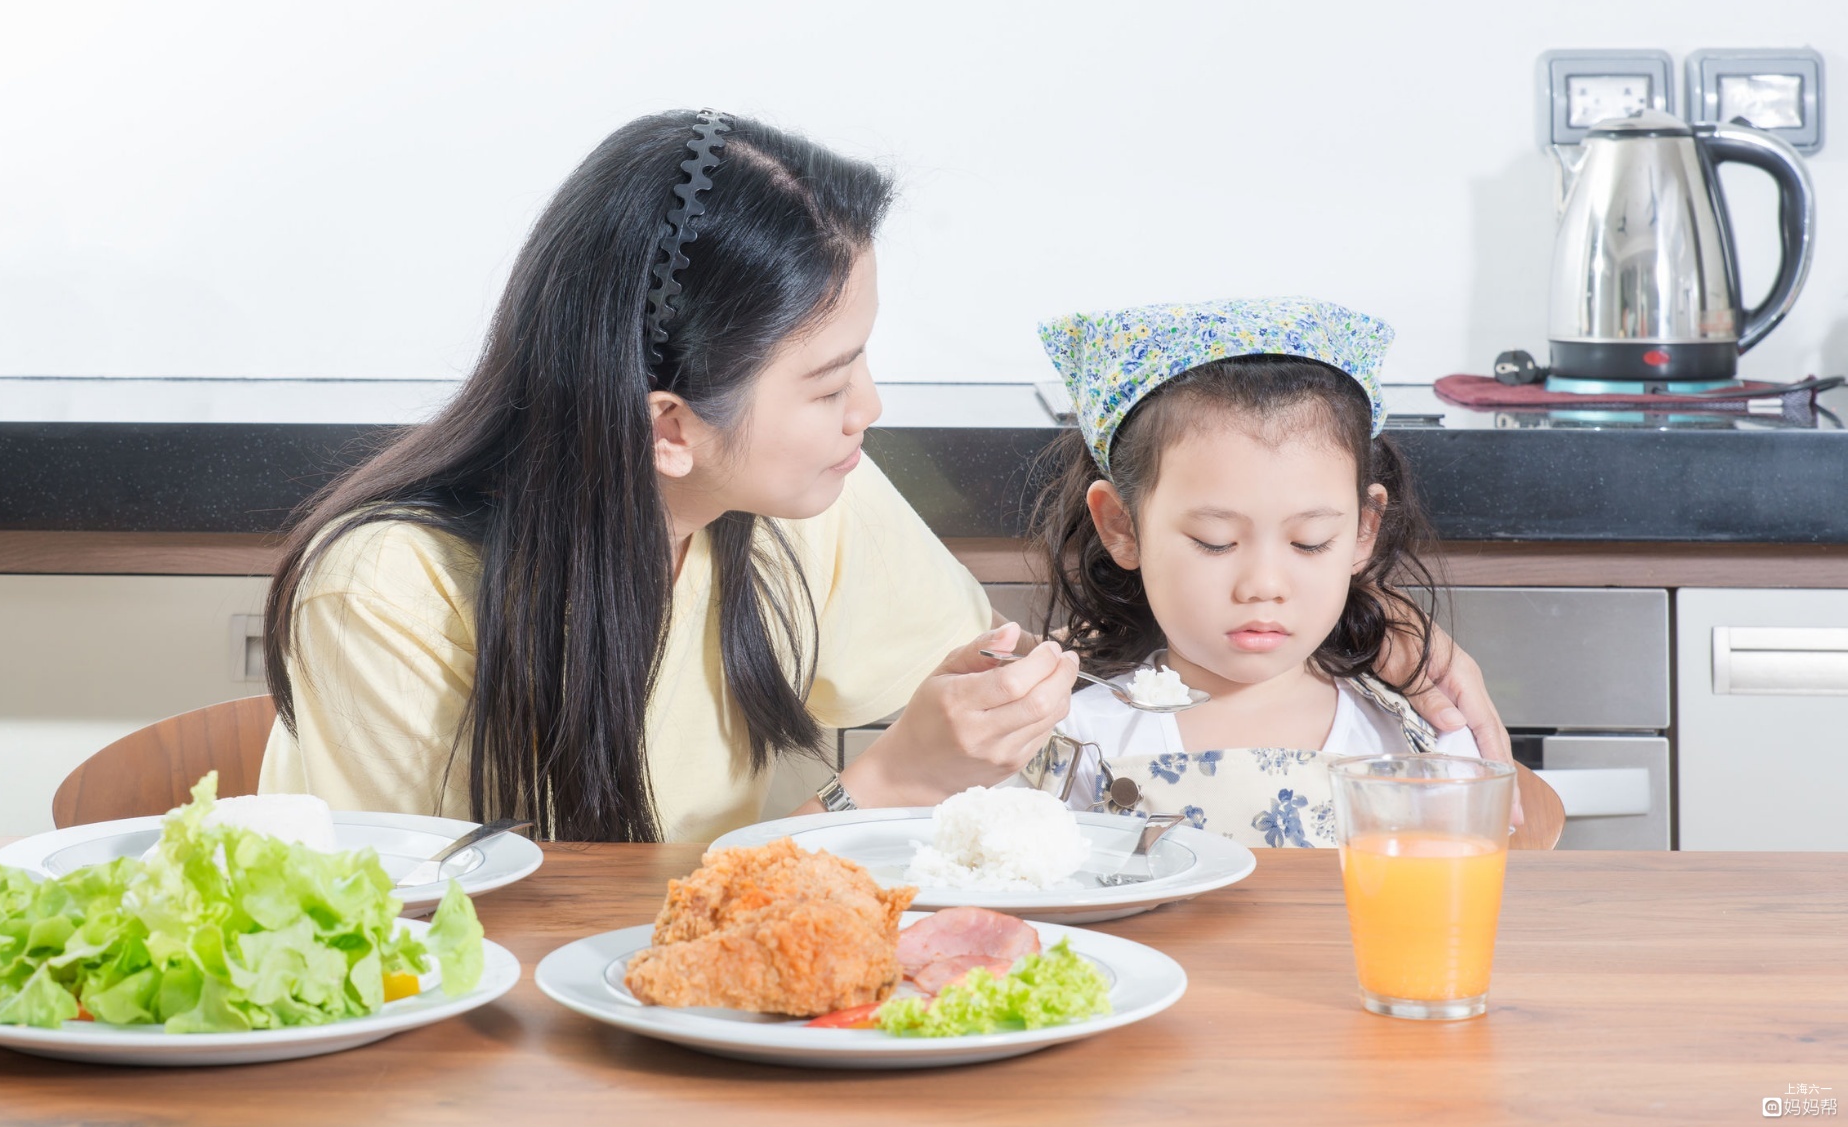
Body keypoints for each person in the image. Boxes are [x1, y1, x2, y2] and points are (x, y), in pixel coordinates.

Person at [257, 110, 1509, 842]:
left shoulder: (804, 501)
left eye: (864, 358)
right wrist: (889, 784)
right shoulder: (387, 591)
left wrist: (1348, 633)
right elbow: (454, 945)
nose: (869, 409)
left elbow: (1035, 694)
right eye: (825, 380)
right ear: (666, 425)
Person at [1024, 297, 1486, 847]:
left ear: (1364, 529)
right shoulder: (1074, 737)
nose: (1264, 585)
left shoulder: (1423, 740)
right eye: (1215, 542)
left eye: (1309, 543)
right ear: (1121, 526)